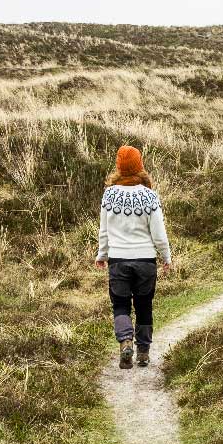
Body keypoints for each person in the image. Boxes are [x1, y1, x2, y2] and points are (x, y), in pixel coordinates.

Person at [95, 144, 172, 369]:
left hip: (118, 260)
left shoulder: (109, 195)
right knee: (144, 305)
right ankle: (143, 353)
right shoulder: (150, 196)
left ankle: (125, 340)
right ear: (140, 166)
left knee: (120, 305)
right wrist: (166, 257)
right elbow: (159, 234)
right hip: (146, 261)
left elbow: (104, 231)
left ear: (119, 166)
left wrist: (102, 254)